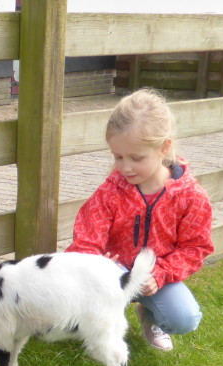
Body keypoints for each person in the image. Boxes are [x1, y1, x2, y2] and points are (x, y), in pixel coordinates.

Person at [66, 88, 213, 352]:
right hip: (115, 273)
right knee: (74, 316)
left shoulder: (191, 196)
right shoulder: (110, 191)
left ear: (164, 147)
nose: (125, 167)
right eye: (118, 157)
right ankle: (100, 321)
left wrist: (160, 274)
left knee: (184, 319)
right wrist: (96, 265)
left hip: (155, 278)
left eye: (136, 158)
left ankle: (151, 316)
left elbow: (195, 248)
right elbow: (86, 240)